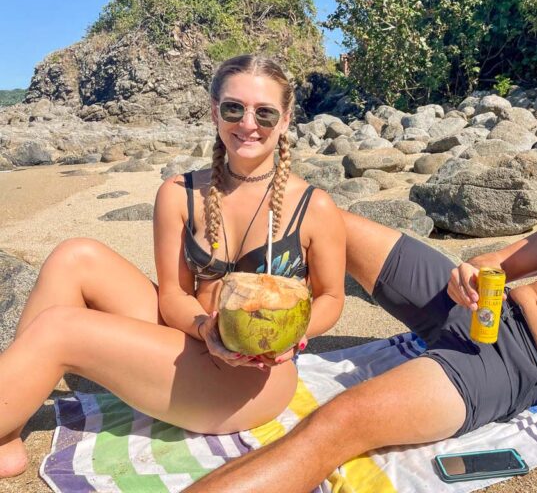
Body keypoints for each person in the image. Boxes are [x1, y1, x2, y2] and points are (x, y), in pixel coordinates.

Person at [185, 107, 537, 492]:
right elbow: (501, 263)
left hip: (517, 365)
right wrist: (473, 269)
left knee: (336, 424)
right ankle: (219, 317)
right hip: (482, 308)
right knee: (325, 216)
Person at [0, 55, 345, 478]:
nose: (247, 123)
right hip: (193, 337)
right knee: (73, 256)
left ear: (286, 119)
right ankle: (8, 427)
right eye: (233, 108)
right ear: (215, 111)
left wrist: (296, 337)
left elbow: (331, 297)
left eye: (265, 113)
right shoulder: (179, 193)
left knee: (59, 328)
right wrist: (204, 329)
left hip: (253, 379)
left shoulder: (315, 206)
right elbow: (174, 295)